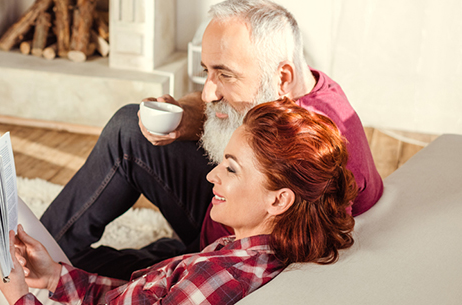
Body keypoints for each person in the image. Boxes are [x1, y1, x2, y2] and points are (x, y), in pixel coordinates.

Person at [39, 0, 384, 280]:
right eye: (208, 71)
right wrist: (182, 116)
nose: (208, 93)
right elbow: (210, 107)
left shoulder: (314, 155)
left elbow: (260, 270)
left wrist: (171, 274)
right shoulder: (294, 90)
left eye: (225, 75)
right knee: (129, 127)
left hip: (221, 254)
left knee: (72, 271)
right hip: (227, 213)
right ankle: (47, 248)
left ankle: (42, 258)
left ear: (282, 77)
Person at [0, 99, 357, 305]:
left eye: (231, 168)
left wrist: (17, 293)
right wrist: (56, 276)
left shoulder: (218, 278)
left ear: (279, 199)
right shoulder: (252, 253)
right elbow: (138, 297)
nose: (211, 175)